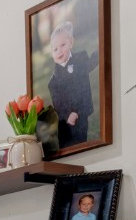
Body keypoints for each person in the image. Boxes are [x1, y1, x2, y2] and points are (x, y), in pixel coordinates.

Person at [38, 13, 97, 155]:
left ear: (71, 43)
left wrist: (99, 52)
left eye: (63, 45)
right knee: (68, 145)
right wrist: (68, 114)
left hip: (82, 111)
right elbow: (58, 105)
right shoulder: (54, 82)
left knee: (82, 139)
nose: (59, 51)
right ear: (51, 53)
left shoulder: (81, 58)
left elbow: (90, 64)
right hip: (67, 121)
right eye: (55, 49)